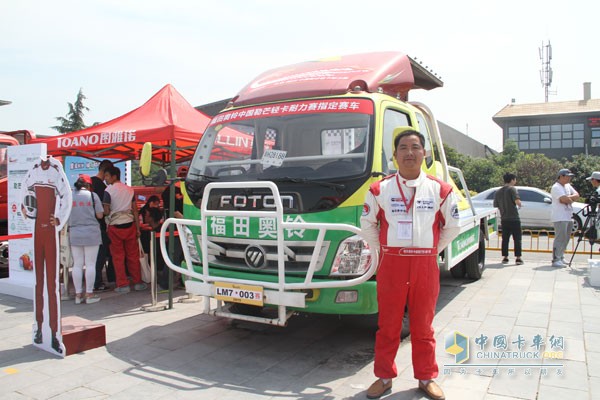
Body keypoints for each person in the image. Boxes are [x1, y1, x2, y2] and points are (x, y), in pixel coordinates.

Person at [360, 129, 461, 400]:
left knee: (423, 325)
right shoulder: (380, 189)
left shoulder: (440, 189)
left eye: (415, 147)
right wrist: (383, 252)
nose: (409, 153)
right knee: (388, 324)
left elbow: (453, 227)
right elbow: (367, 224)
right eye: (403, 148)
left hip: (425, 265)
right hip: (391, 264)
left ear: (424, 153)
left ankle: (426, 378)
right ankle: (383, 377)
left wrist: (430, 253)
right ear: (394, 155)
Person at [22, 156, 72, 355]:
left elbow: (67, 196)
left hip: (50, 233)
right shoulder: (33, 169)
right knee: (38, 283)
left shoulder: (55, 170)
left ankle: (53, 334)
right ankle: (39, 330)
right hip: (37, 231)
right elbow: (24, 192)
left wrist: (58, 217)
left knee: (52, 284)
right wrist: (25, 210)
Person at [103, 165, 147, 293]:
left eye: (107, 176)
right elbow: (135, 210)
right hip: (130, 225)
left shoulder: (108, 191)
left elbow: (106, 211)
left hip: (115, 226)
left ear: (114, 176)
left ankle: (122, 284)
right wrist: (138, 228)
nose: (105, 179)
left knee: (118, 257)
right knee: (133, 255)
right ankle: (137, 282)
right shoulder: (129, 190)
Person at [69, 174, 104, 304]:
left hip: (74, 233)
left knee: (77, 264)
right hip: (91, 233)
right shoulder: (93, 196)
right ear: (88, 185)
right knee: (90, 264)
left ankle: (78, 295)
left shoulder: (69, 196)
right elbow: (100, 215)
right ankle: (89, 294)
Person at [91, 159, 115, 291]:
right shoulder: (102, 188)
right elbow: (104, 210)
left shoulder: (89, 182)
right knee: (100, 255)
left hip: (85, 226)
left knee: (89, 258)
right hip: (98, 225)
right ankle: (97, 282)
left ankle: (93, 282)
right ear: (105, 172)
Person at [550, 168, 580, 268]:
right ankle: (556, 259)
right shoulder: (556, 187)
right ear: (561, 176)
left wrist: (569, 198)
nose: (569, 178)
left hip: (568, 216)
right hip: (560, 216)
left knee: (566, 238)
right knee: (560, 238)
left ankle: (561, 256)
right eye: (567, 176)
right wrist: (570, 199)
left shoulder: (567, 186)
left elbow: (577, 195)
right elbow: (563, 200)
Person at [493, 173, 523, 265]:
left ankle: (505, 257)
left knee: (505, 239)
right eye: (515, 179)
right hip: (514, 218)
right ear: (512, 180)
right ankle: (518, 258)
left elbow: (495, 205)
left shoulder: (498, 191)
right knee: (517, 238)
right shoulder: (512, 189)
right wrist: (520, 205)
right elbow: (517, 202)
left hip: (504, 218)